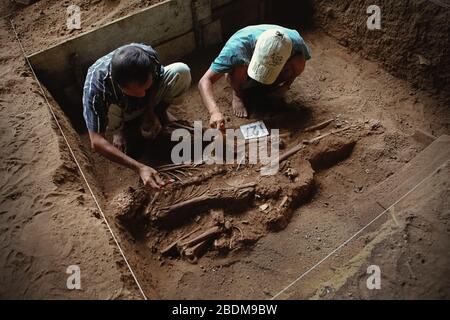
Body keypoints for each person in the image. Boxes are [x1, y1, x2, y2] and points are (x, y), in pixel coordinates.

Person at [83, 43, 191, 189]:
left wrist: (150, 111)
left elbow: (157, 81)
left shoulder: (148, 56)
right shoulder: (96, 88)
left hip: (144, 104)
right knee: (109, 104)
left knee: (181, 71)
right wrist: (139, 167)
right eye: (136, 91)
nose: (142, 95)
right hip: (120, 110)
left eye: (145, 87)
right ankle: (118, 131)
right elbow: (96, 141)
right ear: (119, 85)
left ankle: (160, 113)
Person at [198, 24, 311, 129]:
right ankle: (238, 94)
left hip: (278, 64)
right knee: (240, 66)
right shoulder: (236, 49)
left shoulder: (296, 42)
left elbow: (300, 63)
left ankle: (268, 86)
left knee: (298, 62)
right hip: (244, 66)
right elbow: (204, 81)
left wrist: (286, 86)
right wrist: (214, 112)